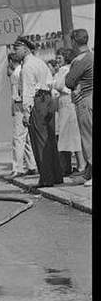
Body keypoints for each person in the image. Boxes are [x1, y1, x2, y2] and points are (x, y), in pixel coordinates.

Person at [13, 36, 62, 187]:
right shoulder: (40, 62)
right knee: (50, 140)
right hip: (47, 99)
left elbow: (27, 91)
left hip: (37, 101)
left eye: (17, 49)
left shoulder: (27, 67)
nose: (14, 52)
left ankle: (46, 178)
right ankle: (56, 176)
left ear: (26, 49)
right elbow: (50, 82)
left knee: (40, 141)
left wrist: (26, 114)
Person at [65, 28, 93, 186]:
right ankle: (88, 174)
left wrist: (75, 83)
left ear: (74, 41)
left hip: (84, 102)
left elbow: (68, 82)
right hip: (88, 97)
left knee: (88, 138)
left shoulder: (80, 60)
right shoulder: (91, 56)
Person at [52, 48, 82, 176]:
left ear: (66, 57)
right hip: (70, 102)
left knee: (70, 136)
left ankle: (79, 166)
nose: (57, 60)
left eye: (60, 57)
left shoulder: (63, 69)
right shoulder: (73, 68)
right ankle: (80, 165)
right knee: (74, 136)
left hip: (66, 102)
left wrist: (55, 85)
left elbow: (58, 85)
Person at [8, 52, 36, 177]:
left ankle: (18, 167)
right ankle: (31, 164)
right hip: (26, 103)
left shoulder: (16, 73)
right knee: (27, 137)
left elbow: (17, 92)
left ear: (10, 61)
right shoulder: (22, 70)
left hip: (20, 104)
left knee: (18, 137)